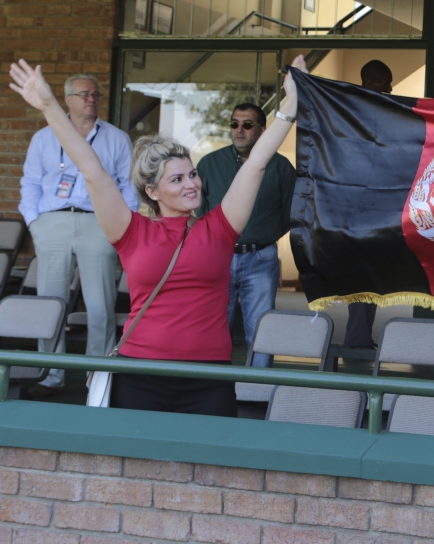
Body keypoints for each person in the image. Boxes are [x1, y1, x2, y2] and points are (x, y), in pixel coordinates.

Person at [8, 57, 304, 415]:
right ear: (152, 191)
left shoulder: (220, 226)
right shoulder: (131, 231)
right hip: (139, 372)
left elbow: (257, 163)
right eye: (177, 179)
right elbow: (91, 169)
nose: (193, 183)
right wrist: (48, 106)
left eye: (192, 174)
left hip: (208, 376)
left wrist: (290, 101)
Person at [18, 73, 139, 399]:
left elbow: (129, 187)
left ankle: (98, 375)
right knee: (50, 302)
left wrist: (122, 227)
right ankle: (50, 374)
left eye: (95, 94)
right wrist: (34, 222)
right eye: (84, 94)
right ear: (67, 99)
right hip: (53, 223)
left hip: (99, 224)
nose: (91, 99)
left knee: (100, 305)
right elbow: (30, 181)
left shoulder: (116, 138)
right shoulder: (43, 138)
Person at [197, 103, 295, 367]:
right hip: (218, 257)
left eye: (247, 125)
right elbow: (198, 213)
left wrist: (263, 236)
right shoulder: (209, 164)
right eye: (234, 124)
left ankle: (259, 393)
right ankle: (209, 388)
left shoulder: (281, 167)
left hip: (261, 258)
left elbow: (290, 214)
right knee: (212, 328)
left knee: (262, 330)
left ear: (262, 131)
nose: (239, 130)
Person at [342, 60, 394, 349]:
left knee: (369, 276)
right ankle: (357, 338)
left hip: (375, 207)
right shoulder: (353, 112)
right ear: (373, 83)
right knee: (364, 276)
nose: (390, 88)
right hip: (360, 209)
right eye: (387, 83)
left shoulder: (350, 111)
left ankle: (359, 337)